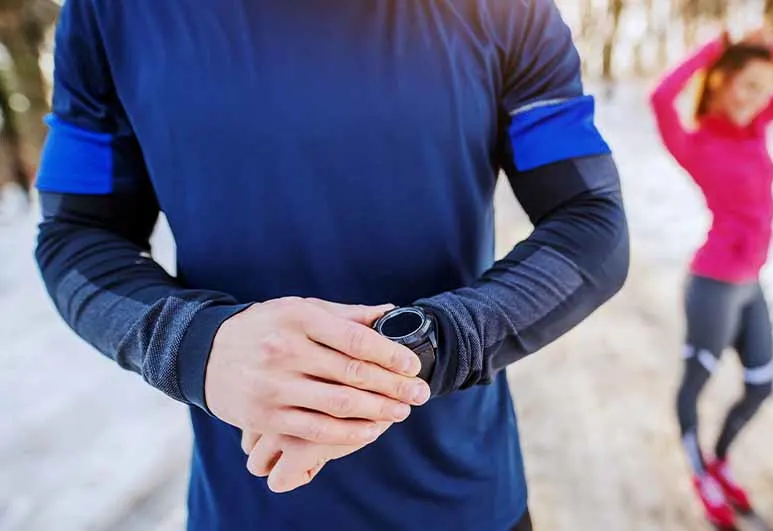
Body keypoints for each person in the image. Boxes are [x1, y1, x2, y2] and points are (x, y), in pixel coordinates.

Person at [33, 1, 629, 530]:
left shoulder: (506, 10)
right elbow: (75, 232)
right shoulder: (106, 12)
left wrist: (435, 344)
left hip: (465, 500)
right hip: (247, 505)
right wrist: (194, 345)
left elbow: (589, 218)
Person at [649, 27, 773, 530]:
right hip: (713, 284)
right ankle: (699, 473)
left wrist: (772, 49)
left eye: (765, 89)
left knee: (760, 386)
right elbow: (660, 97)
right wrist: (710, 50)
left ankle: (721, 461)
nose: (758, 99)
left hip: (753, 284)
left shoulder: (756, 125)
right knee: (696, 382)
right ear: (722, 82)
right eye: (748, 86)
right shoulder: (695, 141)